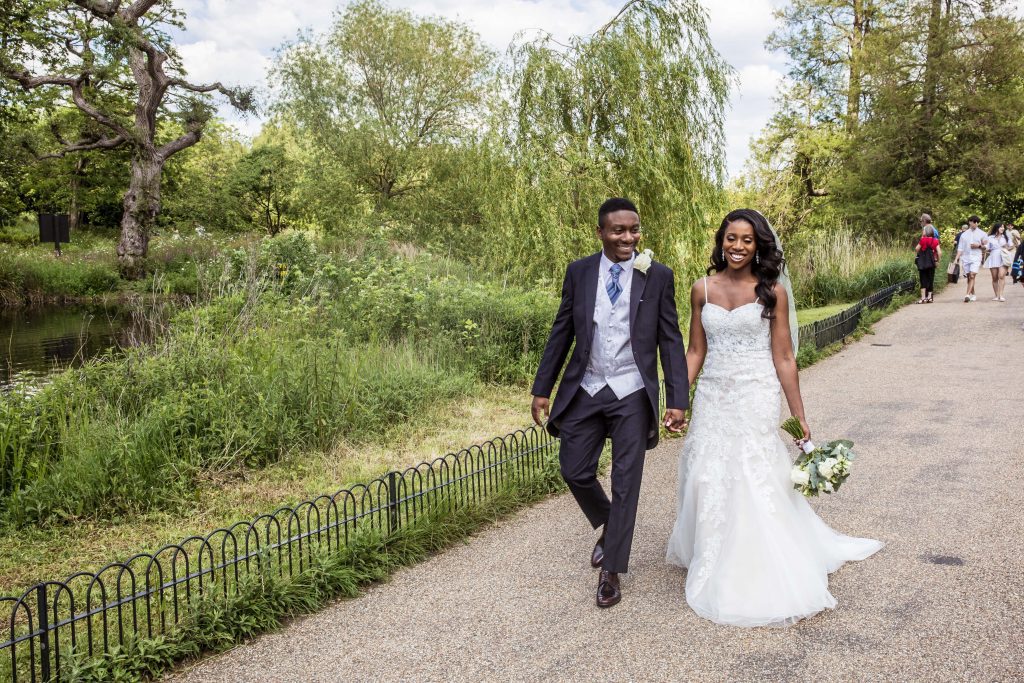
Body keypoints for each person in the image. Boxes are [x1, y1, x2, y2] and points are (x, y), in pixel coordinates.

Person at [666, 209, 881, 627]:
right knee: (708, 470)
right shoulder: (701, 290)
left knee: (751, 470)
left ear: (759, 245)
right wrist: (678, 400)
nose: (738, 247)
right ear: (721, 240)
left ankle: (754, 556)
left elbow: (784, 356)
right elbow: (695, 352)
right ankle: (711, 549)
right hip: (714, 393)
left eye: (747, 240)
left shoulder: (772, 292)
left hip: (755, 391)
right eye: (731, 238)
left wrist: (799, 416)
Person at [531, 197, 688, 608]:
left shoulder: (657, 276)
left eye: (634, 230)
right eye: (618, 230)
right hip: (586, 388)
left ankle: (612, 571)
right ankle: (608, 521)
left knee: (626, 482)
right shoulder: (579, 272)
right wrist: (542, 387)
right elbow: (562, 330)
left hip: (632, 392)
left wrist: (677, 398)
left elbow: (670, 339)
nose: (628, 238)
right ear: (600, 232)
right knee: (574, 469)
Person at [957, 216, 987, 302]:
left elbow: (987, 246)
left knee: (972, 275)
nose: (976, 224)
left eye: (977, 222)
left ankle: (967, 295)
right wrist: (956, 259)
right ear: (970, 222)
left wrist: (979, 246)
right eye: (974, 222)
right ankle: (973, 294)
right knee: (969, 277)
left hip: (976, 257)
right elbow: (960, 248)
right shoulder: (964, 234)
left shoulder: (982, 233)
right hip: (965, 258)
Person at [914, 222, 941, 303]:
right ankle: (930, 297)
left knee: (923, 279)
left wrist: (922, 241)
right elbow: (939, 252)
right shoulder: (935, 240)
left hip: (923, 262)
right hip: (931, 262)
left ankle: (923, 298)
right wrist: (937, 261)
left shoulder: (922, 240)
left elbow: (916, 249)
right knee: (930, 279)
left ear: (925, 232)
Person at [983, 223, 1010, 301]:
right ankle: (996, 295)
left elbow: (1011, 246)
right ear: (997, 228)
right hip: (994, 256)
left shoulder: (1006, 237)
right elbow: (987, 248)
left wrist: (1006, 247)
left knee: (1001, 276)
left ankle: (1001, 295)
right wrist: (983, 246)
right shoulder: (990, 237)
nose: (1003, 228)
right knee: (994, 278)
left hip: (1003, 257)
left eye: (1003, 227)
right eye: (1001, 227)